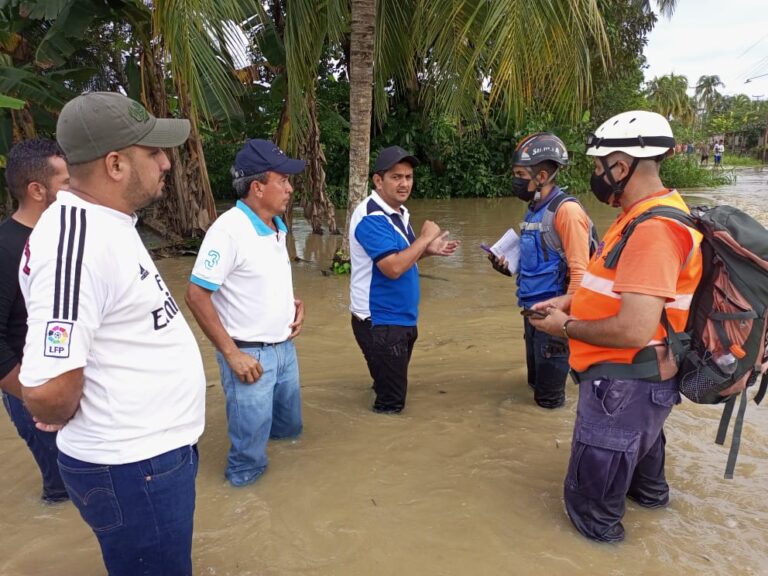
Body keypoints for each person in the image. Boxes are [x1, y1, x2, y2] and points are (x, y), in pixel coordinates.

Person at [19, 92, 206, 575]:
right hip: (132, 467)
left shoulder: (108, 224)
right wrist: (63, 404)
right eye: (154, 152)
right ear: (116, 163)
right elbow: (46, 389)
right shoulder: (74, 244)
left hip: (150, 458)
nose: (166, 162)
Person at [529, 110, 703, 543]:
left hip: (624, 387)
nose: (595, 175)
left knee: (592, 515)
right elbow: (616, 287)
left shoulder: (654, 231)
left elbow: (632, 329)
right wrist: (569, 299)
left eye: (597, 166)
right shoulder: (641, 216)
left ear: (620, 167)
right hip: (640, 387)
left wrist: (564, 326)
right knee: (646, 494)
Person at [185, 139, 305, 487]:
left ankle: (290, 494)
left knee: (289, 433)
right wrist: (232, 354)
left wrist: (292, 303)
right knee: (248, 457)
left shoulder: (276, 227)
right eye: (282, 180)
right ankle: (244, 505)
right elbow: (196, 295)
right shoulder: (229, 230)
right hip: (249, 357)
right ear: (257, 187)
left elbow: (256, 280)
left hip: (284, 349)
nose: (289, 188)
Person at [349, 146, 459, 414]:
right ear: (378, 180)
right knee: (391, 406)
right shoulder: (372, 218)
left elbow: (400, 257)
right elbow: (393, 268)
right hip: (381, 322)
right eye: (396, 177)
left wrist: (427, 250)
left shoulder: (397, 213)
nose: (404, 183)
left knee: (388, 388)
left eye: (408, 177)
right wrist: (423, 239)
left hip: (399, 319)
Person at [487, 133, 593, 409]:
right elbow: (539, 260)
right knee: (534, 386)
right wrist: (507, 265)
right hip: (533, 314)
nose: (517, 180)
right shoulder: (534, 209)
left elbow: (580, 274)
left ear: (543, 175)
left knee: (548, 402)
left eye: (521, 174)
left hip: (554, 317)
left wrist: (561, 319)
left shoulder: (566, 211)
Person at [0, 139, 70, 504]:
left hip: (65, 381)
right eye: (66, 182)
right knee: (62, 487)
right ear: (37, 190)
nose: (74, 189)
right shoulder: (5, 247)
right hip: (29, 389)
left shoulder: (60, 236)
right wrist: (33, 397)